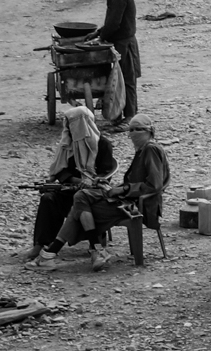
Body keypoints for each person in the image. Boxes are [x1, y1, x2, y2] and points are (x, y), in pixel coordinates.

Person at [48, 113, 169, 271]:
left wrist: (123, 189)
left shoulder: (150, 149)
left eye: (137, 130)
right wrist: (107, 185)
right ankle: (90, 249)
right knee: (82, 197)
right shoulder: (142, 150)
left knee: (81, 205)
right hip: (129, 199)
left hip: (139, 205)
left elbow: (154, 185)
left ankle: (56, 252)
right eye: (130, 130)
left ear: (148, 131)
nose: (132, 134)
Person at [25, 104, 114, 265]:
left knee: (83, 199)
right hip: (69, 189)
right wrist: (77, 181)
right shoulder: (67, 144)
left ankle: (94, 245)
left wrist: (90, 181)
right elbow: (60, 171)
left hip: (93, 192)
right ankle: (41, 244)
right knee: (48, 199)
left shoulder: (102, 144)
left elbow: (107, 172)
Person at [91, 0, 140, 125]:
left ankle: (130, 116)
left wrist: (101, 37)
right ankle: (121, 114)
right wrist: (97, 33)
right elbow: (112, 22)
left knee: (127, 80)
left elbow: (114, 23)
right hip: (120, 43)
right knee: (120, 79)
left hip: (125, 43)